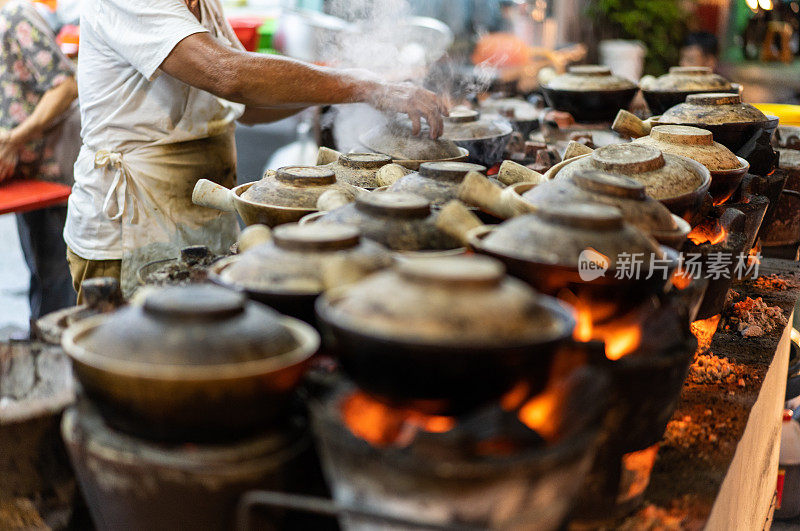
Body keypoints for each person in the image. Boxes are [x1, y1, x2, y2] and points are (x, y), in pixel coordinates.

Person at [65, 0, 449, 298]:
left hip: (197, 213)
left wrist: (359, 89)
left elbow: (248, 106)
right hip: (130, 221)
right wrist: (362, 84)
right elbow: (229, 74)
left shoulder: (201, 4)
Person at [0, 0, 79, 324]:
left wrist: (15, 137)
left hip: (53, 169)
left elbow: (66, 86)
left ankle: (63, 357)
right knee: (41, 269)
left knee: (60, 278)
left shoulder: (16, 17)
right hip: (24, 175)